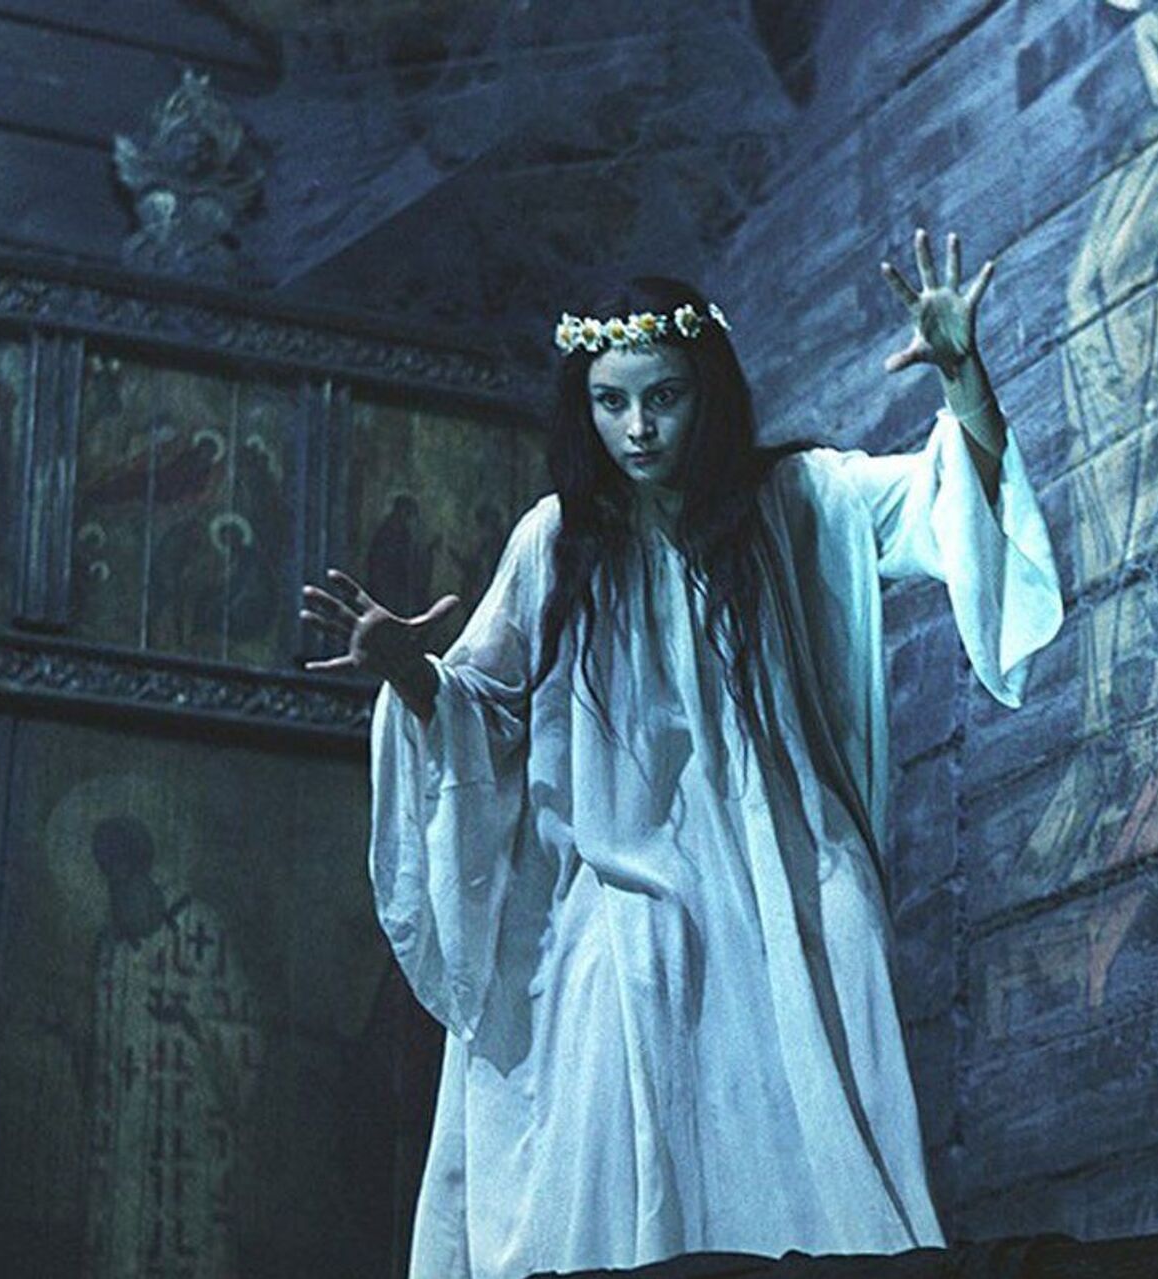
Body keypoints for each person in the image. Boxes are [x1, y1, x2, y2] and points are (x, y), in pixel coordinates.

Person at [299, 227, 1065, 1278]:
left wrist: (964, 378)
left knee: (813, 1157)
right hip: (619, 897)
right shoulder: (555, 541)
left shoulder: (798, 501)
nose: (638, 427)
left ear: (708, 392)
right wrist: (409, 672)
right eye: (611, 402)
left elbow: (951, 503)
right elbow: (479, 709)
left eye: (663, 396)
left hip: (783, 884)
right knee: (617, 1125)